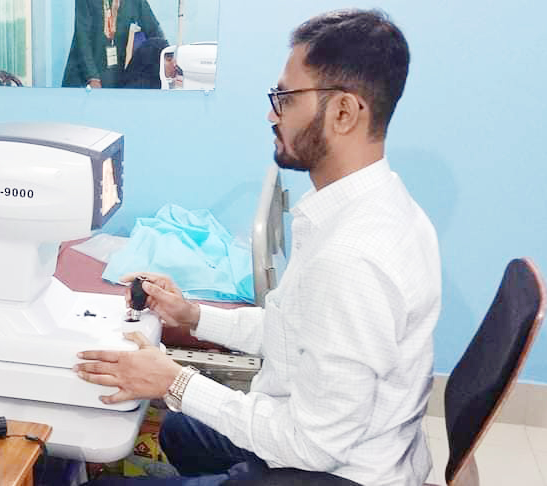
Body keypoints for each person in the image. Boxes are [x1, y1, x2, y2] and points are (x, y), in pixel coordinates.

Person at [76, 9, 439, 486]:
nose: (272, 114)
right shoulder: (365, 205)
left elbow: (312, 446)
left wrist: (175, 380)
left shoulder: (352, 257)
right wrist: (191, 315)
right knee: (182, 431)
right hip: (330, 437)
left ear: (344, 113)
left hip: (332, 472)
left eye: (285, 99)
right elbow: (294, 329)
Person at [62, 0, 164, 88]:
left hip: (114, 78)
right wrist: (92, 77)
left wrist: (168, 57)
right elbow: (83, 37)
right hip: (82, 80)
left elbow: (154, 31)